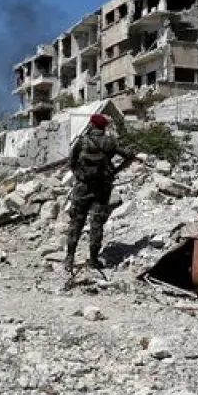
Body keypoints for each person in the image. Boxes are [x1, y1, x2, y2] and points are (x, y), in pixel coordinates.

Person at [63, 113, 129, 289]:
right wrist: (114, 172)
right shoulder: (110, 142)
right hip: (102, 189)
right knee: (97, 224)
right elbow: (128, 155)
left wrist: (79, 176)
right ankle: (93, 259)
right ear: (104, 127)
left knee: (76, 222)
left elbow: (71, 162)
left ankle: (69, 259)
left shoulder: (82, 141)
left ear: (92, 125)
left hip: (82, 187)